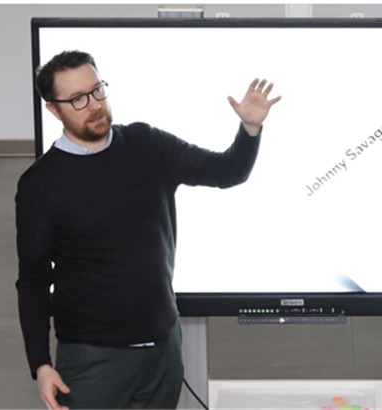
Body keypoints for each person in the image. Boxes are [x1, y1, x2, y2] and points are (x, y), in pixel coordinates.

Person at [15, 50, 280, 410]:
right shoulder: (40, 185)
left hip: (162, 352)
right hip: (93, 360)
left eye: (97, 90)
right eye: (77, 99)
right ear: (53, 109)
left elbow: (227, 171)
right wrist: (40, 364)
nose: (94, 105)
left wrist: (250, 129)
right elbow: (33, 281)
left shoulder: (147, 144)